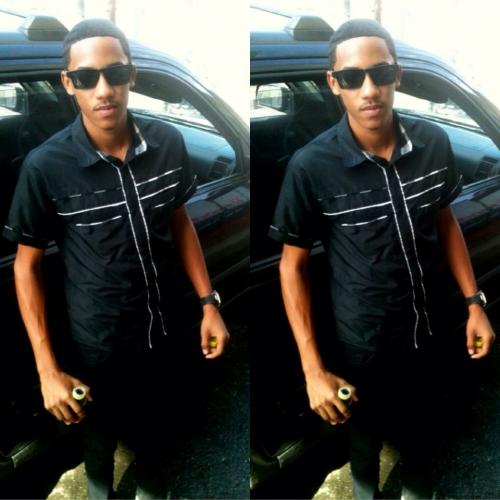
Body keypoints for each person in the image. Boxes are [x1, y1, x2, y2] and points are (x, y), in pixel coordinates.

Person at [269, 18, 495, 499]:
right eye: (352, 77)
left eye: (381, 73)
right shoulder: (311, 166)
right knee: (365, 439)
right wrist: (313, 370)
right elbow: (292, 265)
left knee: (422, 427)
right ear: (334, 83)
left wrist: (474, 303)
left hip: (432, 327)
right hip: (364, 343)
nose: (369, 89)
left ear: (398, 75)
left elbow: (446, 222)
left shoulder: (433, 143)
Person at [3, 18, 229, 499]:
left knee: (155, 426)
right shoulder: (46, 166)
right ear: (68, 83)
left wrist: (208, 303)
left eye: (115, 73)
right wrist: (47, 369)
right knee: (99, 439)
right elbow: (26, 264)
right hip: (98, 341)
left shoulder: (168, 142)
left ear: (132, 75)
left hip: (167, 326)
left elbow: (180, 221)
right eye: (86, 78)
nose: (103, 89)